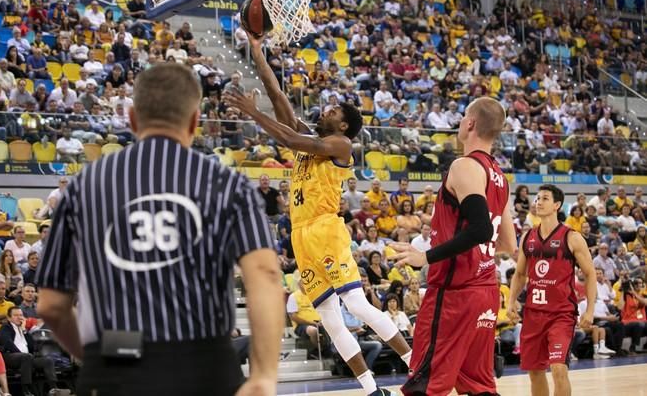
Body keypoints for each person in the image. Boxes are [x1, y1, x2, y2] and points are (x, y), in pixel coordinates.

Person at [35, 63, 284, 396]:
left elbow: (50, 305)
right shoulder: (229, 184)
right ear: (195, 121)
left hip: (114, 361)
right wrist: (264, 376)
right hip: (204, 364)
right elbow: (266, 275)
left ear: (134, 119)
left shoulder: (82, 186)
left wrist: (96, 357)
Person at [223, 32, 412, 396]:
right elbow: (278, 96)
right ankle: (371, 388)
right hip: (301, 234)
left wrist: (252, 113)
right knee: (328, 317)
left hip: (326, 229)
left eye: (333, 111)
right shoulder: (313, 139)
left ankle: (416, 364)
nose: (325, 109)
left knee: (355, 303)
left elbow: (291, 141)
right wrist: (258, 53)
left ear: (342, 125)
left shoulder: (341, 145)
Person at [387, 97, 516, 396]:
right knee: (478, 387)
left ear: (470, 123)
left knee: (425, 385)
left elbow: (481, 229)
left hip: (454, 293)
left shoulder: (464, 166)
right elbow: (507, 243)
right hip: (485, 292)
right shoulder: (501, 178)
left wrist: (426, 256)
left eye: (462, 117)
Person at [507, 185, 598, 396]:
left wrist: (590, 310)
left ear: (556, 205)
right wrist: (511, 302)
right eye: (537, 198)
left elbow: (590, 273)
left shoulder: (572, 237)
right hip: (533, 313)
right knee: (535, 372)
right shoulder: (528, 236)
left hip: (561, 314)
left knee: (558, 369)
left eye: (545, 198)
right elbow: (520, 275)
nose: (538, 201)